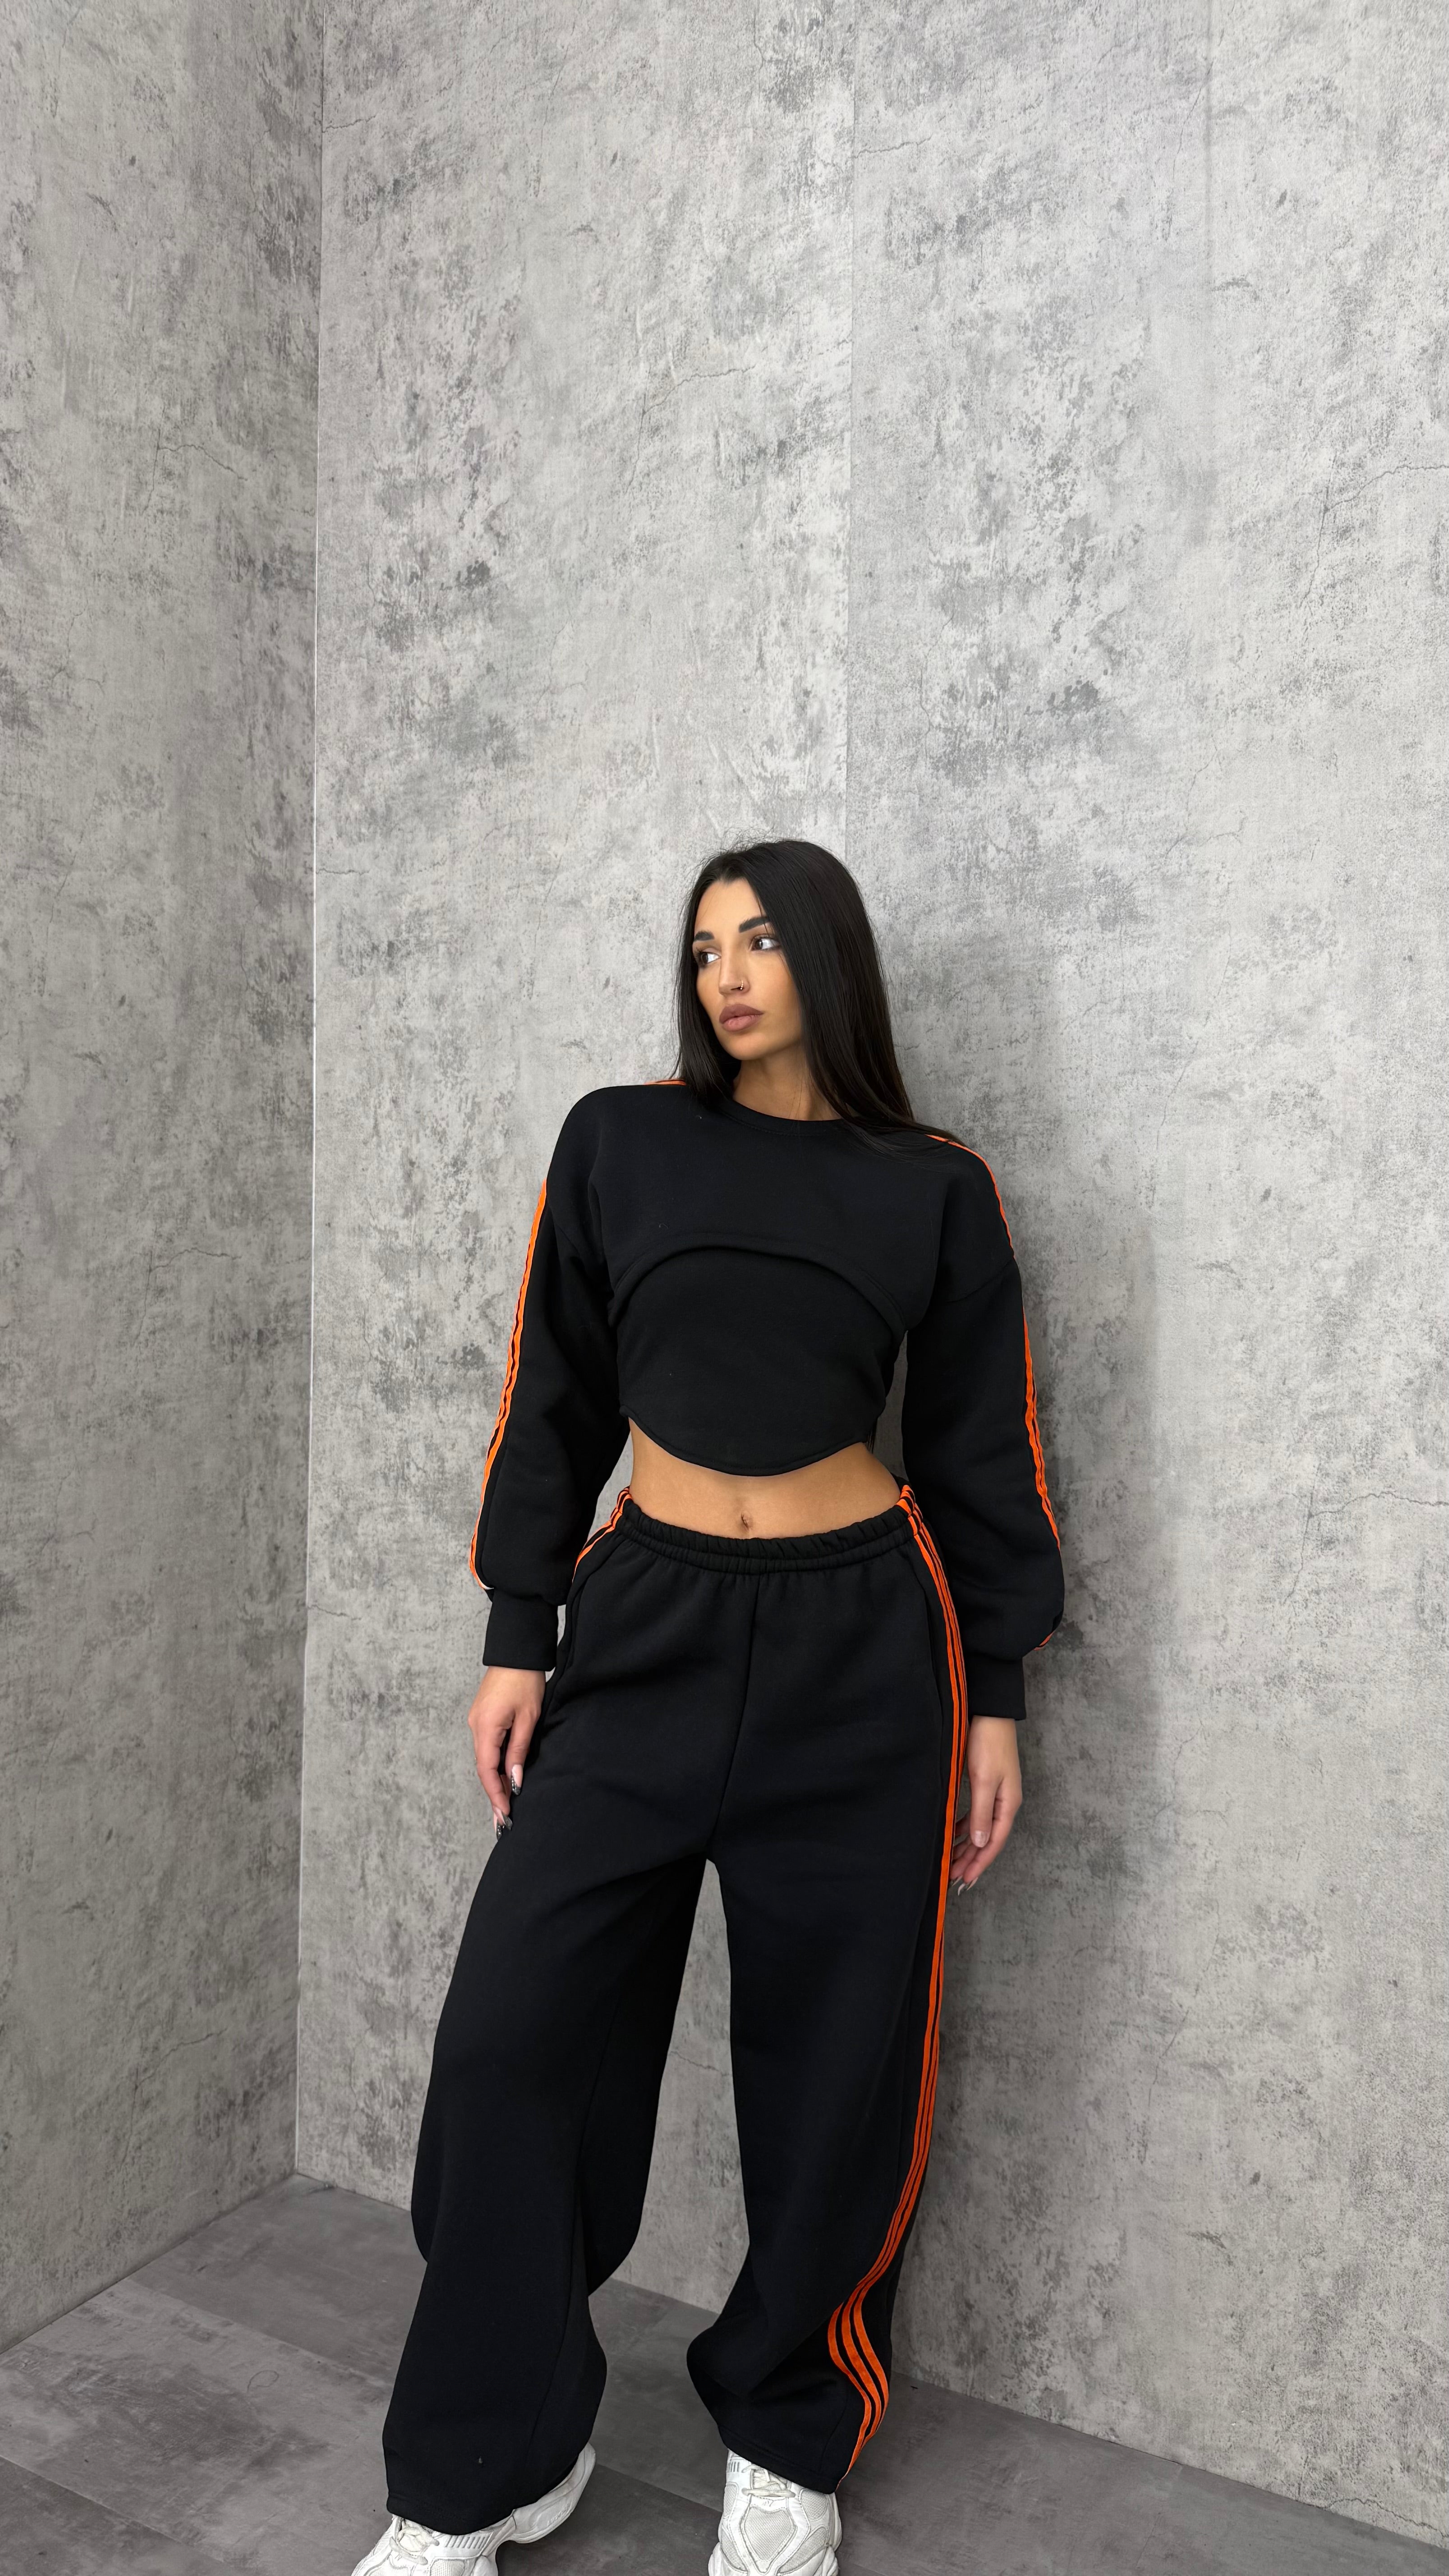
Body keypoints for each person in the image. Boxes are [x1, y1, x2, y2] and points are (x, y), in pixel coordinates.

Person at [351, 839, 1064, 2576]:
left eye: (758, 940)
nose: (726, 975)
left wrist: (996, 1695)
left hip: (865, 1655)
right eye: (701, 949)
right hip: (646, 1627)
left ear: (829, 956)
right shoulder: (622, 1140)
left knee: (840, 2069)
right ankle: (488, 2462)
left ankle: (787, 2440)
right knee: (513, 2039)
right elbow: (554, 1393)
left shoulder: (934, 1188)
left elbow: (982, 1451)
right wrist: (520, 1631)